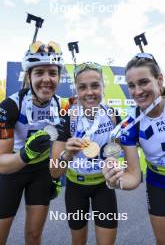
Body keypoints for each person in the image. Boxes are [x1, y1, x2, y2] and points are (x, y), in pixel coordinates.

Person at [102, 53, 165, 245]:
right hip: (159, 184)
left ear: (159, 80)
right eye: (132, 86)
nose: (137, 91)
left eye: (143, 82)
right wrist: (115, 180)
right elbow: (133, 177)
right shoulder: (131, 124)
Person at [0, 40, 67, 245]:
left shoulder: (63, 106)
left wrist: (57, 173)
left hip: (41, 173)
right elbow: (2, 161)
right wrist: (26, 153)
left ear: (58, 77)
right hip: (12, 172)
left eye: (52, 73)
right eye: (39, 73)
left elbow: (61, 160)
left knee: (34, 236)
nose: (46, 79)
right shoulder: (11, 105)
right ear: (29, 77)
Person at [51, 62, 121, 245]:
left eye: (95, 85)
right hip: (76, 188)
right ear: (76, 90)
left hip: (103, 188)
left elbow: (117, 152)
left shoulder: (113, 115)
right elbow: (55, 172)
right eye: (82, 87)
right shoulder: (68, 117)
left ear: (103, 87)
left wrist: (113, 159)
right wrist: (67, 154)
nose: (89, 92)